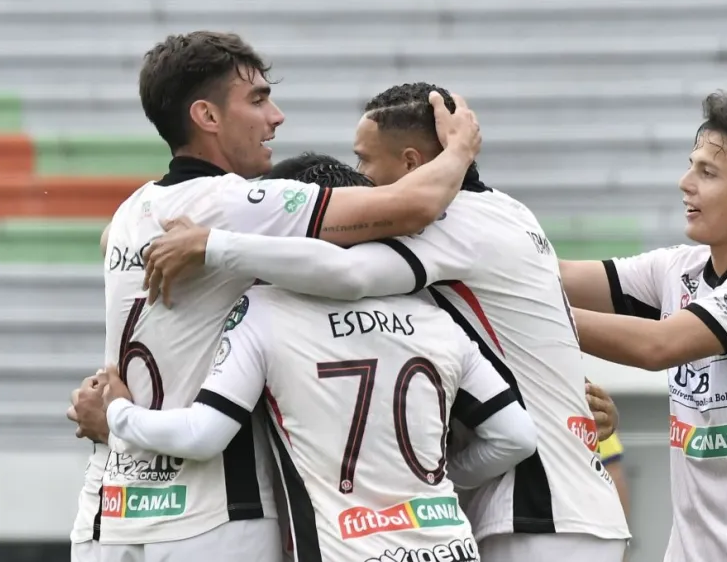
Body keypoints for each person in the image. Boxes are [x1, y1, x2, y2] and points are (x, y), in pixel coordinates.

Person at [136, 84, 631, 562]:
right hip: (570, 500)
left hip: (532, 507)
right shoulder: (510, 211)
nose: (358, 176)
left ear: (412, 163)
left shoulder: (447, 223)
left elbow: (346, 271)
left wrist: (214, 245)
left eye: (365, 160)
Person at [66, 33, 481, 562]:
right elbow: (412, 205)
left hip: (112, 509)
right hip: (213, 514)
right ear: (207, 117)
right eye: (258, 100)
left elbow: (115, 252)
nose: (276, 117)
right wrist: (462, 148)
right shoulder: (238, 203)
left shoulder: (132, 212)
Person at [75, 158, 538, 562]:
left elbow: (204, 432)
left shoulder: (264, 313)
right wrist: (434, 481)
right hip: (449, 547)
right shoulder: (434, 318)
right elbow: (515, 436)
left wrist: (117, 413)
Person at [560, 92, 727, 561]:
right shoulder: (677, 269)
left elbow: (657, 347)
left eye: (707, 172)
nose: (685, 183)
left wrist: (532, 315)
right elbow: (554, 278)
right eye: (691, 166)